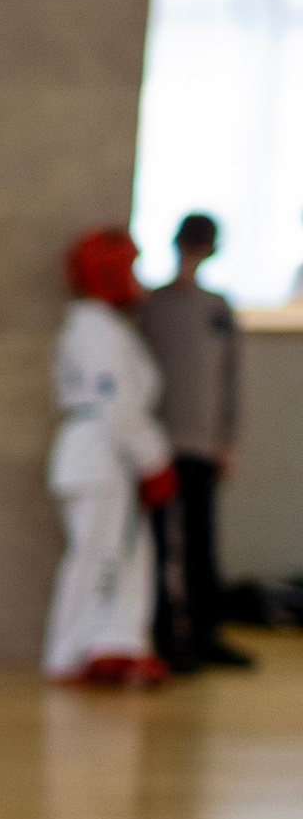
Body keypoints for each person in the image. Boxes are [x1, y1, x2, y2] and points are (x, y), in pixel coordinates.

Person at [44, 224, 172, 688]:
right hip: (98, 454)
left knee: (117, 556)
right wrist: (153, 458)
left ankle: (111, 645)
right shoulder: (95, 331)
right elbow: (115, 405)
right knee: (96, 557)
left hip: (102, 455)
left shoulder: (100, 328)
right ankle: (72, 652)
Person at [139, 210, 249, 672]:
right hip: (159, 442)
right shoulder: (152, 306)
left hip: (202, 444)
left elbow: (230, 380)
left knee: (203, 542)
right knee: (161, 543)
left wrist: (228, 439)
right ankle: (164, 635)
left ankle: (206, 632)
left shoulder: (218, 308)